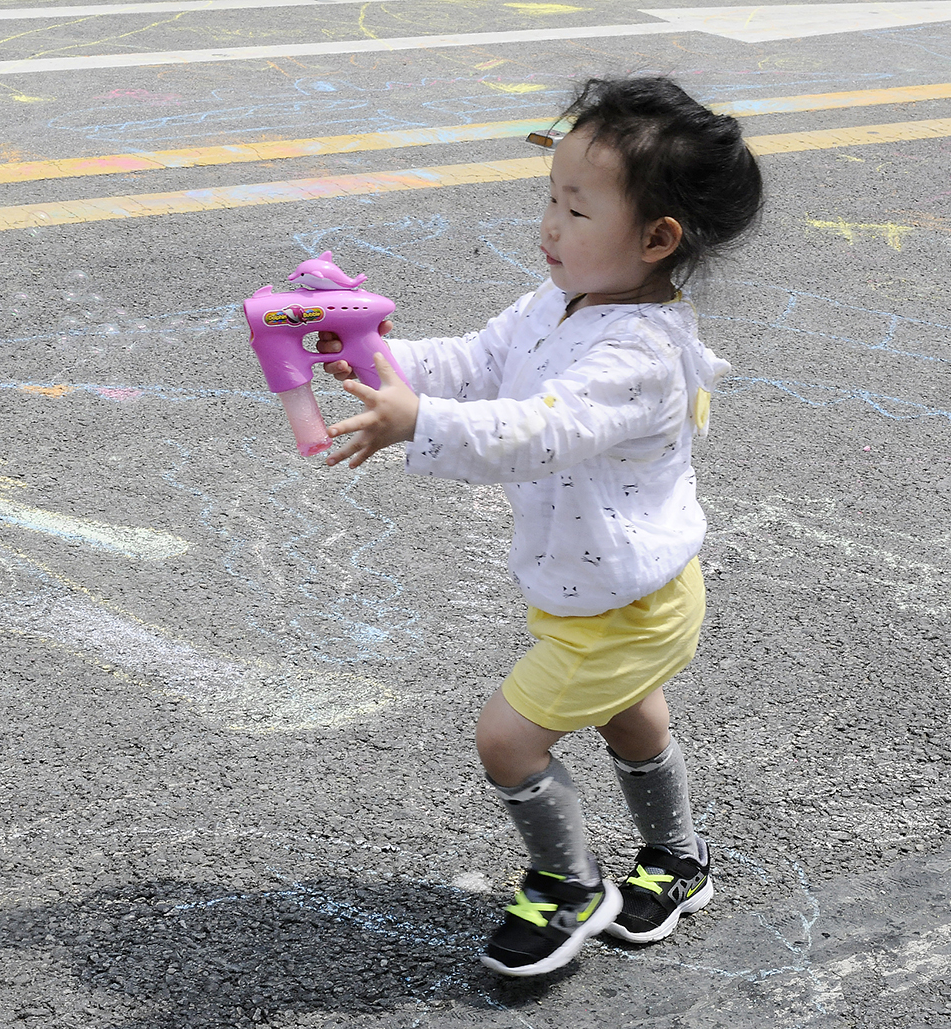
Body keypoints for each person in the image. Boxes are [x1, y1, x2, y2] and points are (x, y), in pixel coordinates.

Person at [317, 75, 763, 977]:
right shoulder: (554, 303)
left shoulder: (638, 353)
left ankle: (568, 884)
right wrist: (372, 357)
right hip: (609, 586)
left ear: (656, 238)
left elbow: (538, 431)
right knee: (631, 718)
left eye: (575, 206)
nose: (550, 225)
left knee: (509, 738)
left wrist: (420, 423)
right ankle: (678, 861)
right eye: (548, 199)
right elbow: (477, 362)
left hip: (630, 602)